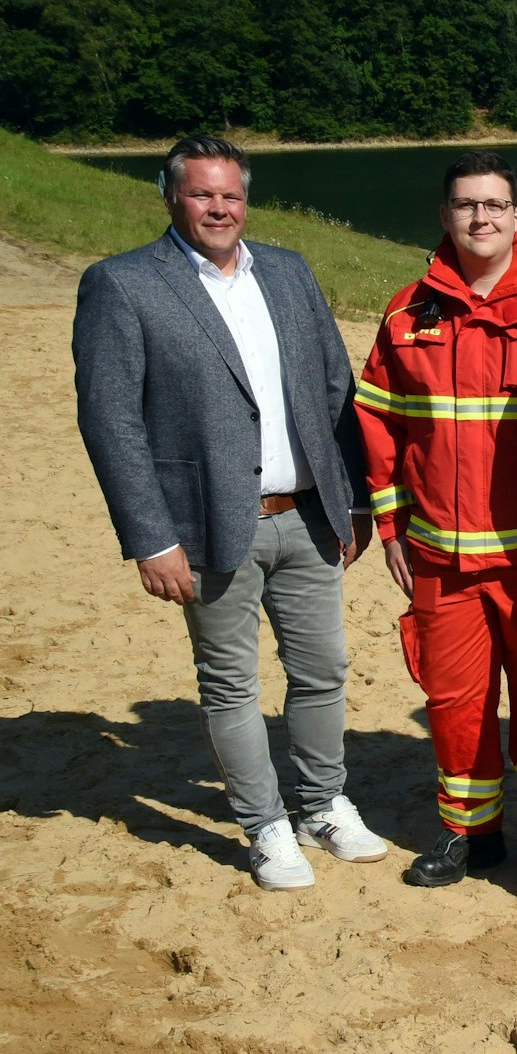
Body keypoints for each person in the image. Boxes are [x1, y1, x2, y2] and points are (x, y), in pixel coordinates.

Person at [72, 134, 387, 891]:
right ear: (170, 196)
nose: (220, 207)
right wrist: (151, 537)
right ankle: (265, 824)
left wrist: (354, 498)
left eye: (232, 194)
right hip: (210, 524)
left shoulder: (286, 270)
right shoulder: (122, 284)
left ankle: (322, 804)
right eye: (202, 194)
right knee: (230, 683)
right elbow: (110, 419)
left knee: (322, 670)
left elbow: (336, 388)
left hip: (309, 514)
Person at [355, 151, 517, 890]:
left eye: (493, 205)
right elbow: (378, 425)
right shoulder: (404, 312)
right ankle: (470, 832)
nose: (479, 218)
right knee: (454, 703)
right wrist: (390, 526)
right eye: (464, 205)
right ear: (445, 216)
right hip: (442, 558)